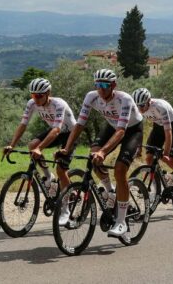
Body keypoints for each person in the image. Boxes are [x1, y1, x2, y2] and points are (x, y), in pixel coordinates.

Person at [60, 69, 143, 238]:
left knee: (120, 170)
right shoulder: (91, 97)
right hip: (112, 126)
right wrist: (66, 148)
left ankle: (121, 221)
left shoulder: (124, 99)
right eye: (98, 85)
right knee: (93, 157)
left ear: (113, 85)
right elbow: (80, 125)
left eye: (104, 85)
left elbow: (121, 131)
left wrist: (104, 152)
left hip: (132, 131)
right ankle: (110, 191)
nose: (101, 89)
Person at [3, 77, 77, 225]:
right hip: (55, 131)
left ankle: (66, 209)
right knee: (32, 145)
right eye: (32, 95)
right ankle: (49, 178)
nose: (35, 99)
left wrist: (40, 149)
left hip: (70, 134)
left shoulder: (59, 104)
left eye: (39, 96)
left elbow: (56, 130)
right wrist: (12, 145)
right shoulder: (32, 104)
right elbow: (23, 125)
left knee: (61, 170)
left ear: (48, 93)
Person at [132, 88, 173, 197]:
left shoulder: (160, 107)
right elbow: (138, 129)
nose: (140, 109)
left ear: (149, 101)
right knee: (149, 158)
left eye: (142, 106)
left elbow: (168, 133)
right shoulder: (137, 108)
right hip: (158, 128)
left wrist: (167, 154)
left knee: (169, 160)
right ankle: (158, 186)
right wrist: (138, 148)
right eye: (137, 106)